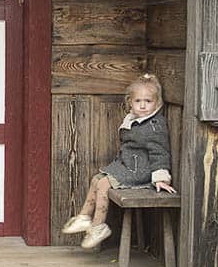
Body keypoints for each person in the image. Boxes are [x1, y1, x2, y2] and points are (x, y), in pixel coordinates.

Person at [60, 73, 176, 249]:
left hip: (140, 171)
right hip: (127, 166)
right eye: (138, 101)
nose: (143, 105)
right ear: (130, 102)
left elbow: (160, 152)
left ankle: (98, 226)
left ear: (157, 102)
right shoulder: (133, 120)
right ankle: (84, 217)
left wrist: (160, 177)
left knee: (104, 184)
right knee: (96, 179)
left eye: (148, 101)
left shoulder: (154, 126)